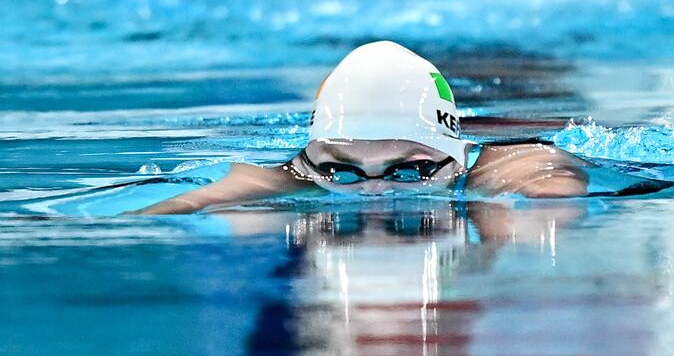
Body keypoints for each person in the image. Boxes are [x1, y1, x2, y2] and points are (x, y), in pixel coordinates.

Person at [134, 41, 589, 215]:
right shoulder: (289, 174)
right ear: (310, 160)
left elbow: (551, 191)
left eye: (409, 171)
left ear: (455, 157)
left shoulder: (503, 164)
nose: (375, 200)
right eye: (343, 171)